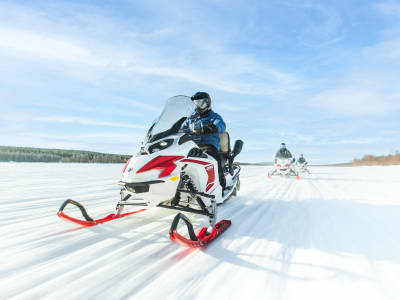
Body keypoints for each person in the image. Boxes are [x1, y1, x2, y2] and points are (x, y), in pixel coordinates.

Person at [180, 92, 226, 189]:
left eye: (200, 102)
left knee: (213, 160)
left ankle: (221, 186)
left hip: (207, 145)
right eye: (195, 103)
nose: (197, 105)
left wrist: (211, 127)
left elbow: (221, 125)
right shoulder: (191, 118)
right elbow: (182, 128)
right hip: (191, 146)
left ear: (207, 103)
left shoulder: (214, 116)